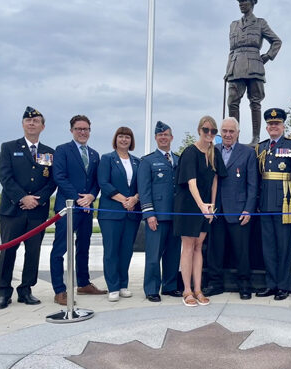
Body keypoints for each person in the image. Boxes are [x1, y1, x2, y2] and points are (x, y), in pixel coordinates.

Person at [0, 107, 56, 310]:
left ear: (43, 126)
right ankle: (4, 292)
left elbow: (52, 181)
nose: (32, 123)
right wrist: (23, 197)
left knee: (33, 253)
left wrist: (38, 200)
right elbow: (5, 177)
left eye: (36, 121)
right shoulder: (9, 147)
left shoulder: (49, 152)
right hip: (13, 210)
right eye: (28, 121)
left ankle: (26, 290)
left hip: (37, 211)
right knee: (8, 251)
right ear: (23, 124)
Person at [50, 115, 106, 306]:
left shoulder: (95, 154)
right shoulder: (62, 150)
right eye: (79, 129)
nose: (83, 132)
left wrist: (91, 196)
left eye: (86, 129)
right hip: (67, 207)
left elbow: (97, 182)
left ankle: (83, 283)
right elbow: (59, 177)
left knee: (84, 247)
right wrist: (79, 198)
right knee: (60, 249)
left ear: (90, 131)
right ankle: (59, 290)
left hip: (86, 209)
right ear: (72, 130)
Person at [173, 116, 227, 307]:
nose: (210, 134)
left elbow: (214, 180)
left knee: (199, 246)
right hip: (188, 205)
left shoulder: (214, 153)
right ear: (199, 130)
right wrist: (202, 206)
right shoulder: (190, 152)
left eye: (213, 131)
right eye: (206, 130)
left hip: (205, 208)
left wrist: (211, 206)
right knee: (188, 246)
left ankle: (198, 289)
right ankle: (187, 290)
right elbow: (191, 182)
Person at [204, 117, 258, 300]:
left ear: (238, 133)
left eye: (231, 131)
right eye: (224, 131)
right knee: (214, 249)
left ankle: (244, 284)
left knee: (241, 250)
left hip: (238, 209)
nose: (227, 135)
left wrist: (248, 209)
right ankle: (215, 283)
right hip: (216, 210)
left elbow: (253, 184)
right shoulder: (213, 150)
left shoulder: (248, 153)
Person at [255, 108, 291, 301]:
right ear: (267, 127)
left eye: (277, 124)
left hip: (284, 202)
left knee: (284, 246)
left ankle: (283, 285)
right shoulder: (261, 147)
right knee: (268, 247)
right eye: (271, 124)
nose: (274, 126)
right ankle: (271, 284)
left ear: (283, 126)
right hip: (265, 203)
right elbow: (257, 176)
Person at [225, 0, 282, 146]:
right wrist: (228, 71)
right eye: (239, 2)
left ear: (252, 3)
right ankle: (234, 136)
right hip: (236, 65)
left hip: (254, 65)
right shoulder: (233, 25)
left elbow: (276, 41)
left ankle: (255, 137)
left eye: (244, 1)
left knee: (255, 101)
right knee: (232, 101)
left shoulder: (260, 23)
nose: (241, 4)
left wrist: (268, 56)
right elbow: (231, 51)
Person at [138, 121, 182, 303]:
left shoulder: (179, 159)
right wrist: (149, 214)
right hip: (157, 215)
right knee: (153, 256)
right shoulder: (148, 161)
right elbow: (144, 189)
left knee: (173, 254)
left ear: (172, 138)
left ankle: (170, 286)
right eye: (160, 135)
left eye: (166, 135)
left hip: (176, 215)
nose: (163, 138)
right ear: (156, 138)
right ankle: (151, 289)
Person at [97, 127, 141, 302]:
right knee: (111, 251)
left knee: (126, 251)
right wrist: (124, 200)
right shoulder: (107, 159)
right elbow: (103, 183)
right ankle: (113, 286)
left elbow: (141, 185)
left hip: (131, 213)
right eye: (121, 137)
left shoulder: (137, 162)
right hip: (112, 213)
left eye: (127, 137)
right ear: (116, 139)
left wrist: (135, 199)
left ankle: (123, 285)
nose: (124, 140)